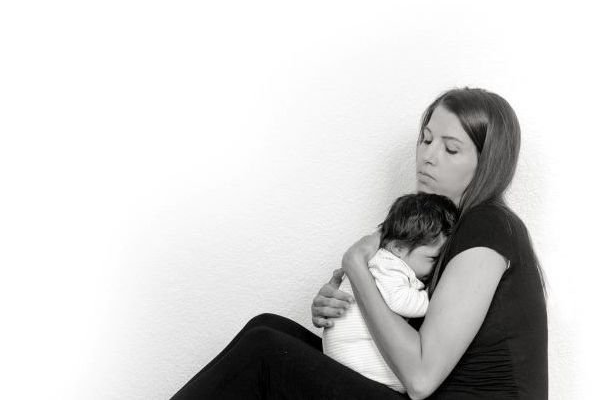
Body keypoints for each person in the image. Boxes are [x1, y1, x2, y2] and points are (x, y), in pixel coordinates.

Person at [169, 87, 548, 400]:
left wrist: (356, 268)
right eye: (426, 139)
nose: (428, 157)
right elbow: (411, 324)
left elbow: (419, 377)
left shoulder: (489, 226)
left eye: (450, 149)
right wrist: (344, 309)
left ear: (487, 164)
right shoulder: (443, 227)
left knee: (265, 351)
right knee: (267, 328)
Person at [323, 192, 457, 392]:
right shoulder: (388, 264)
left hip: (349, 355)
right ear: (398, 248)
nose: (436, 265)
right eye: (432, 259)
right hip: (353, 358)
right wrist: (432, 298)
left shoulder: (394, 260)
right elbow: (399, 300)